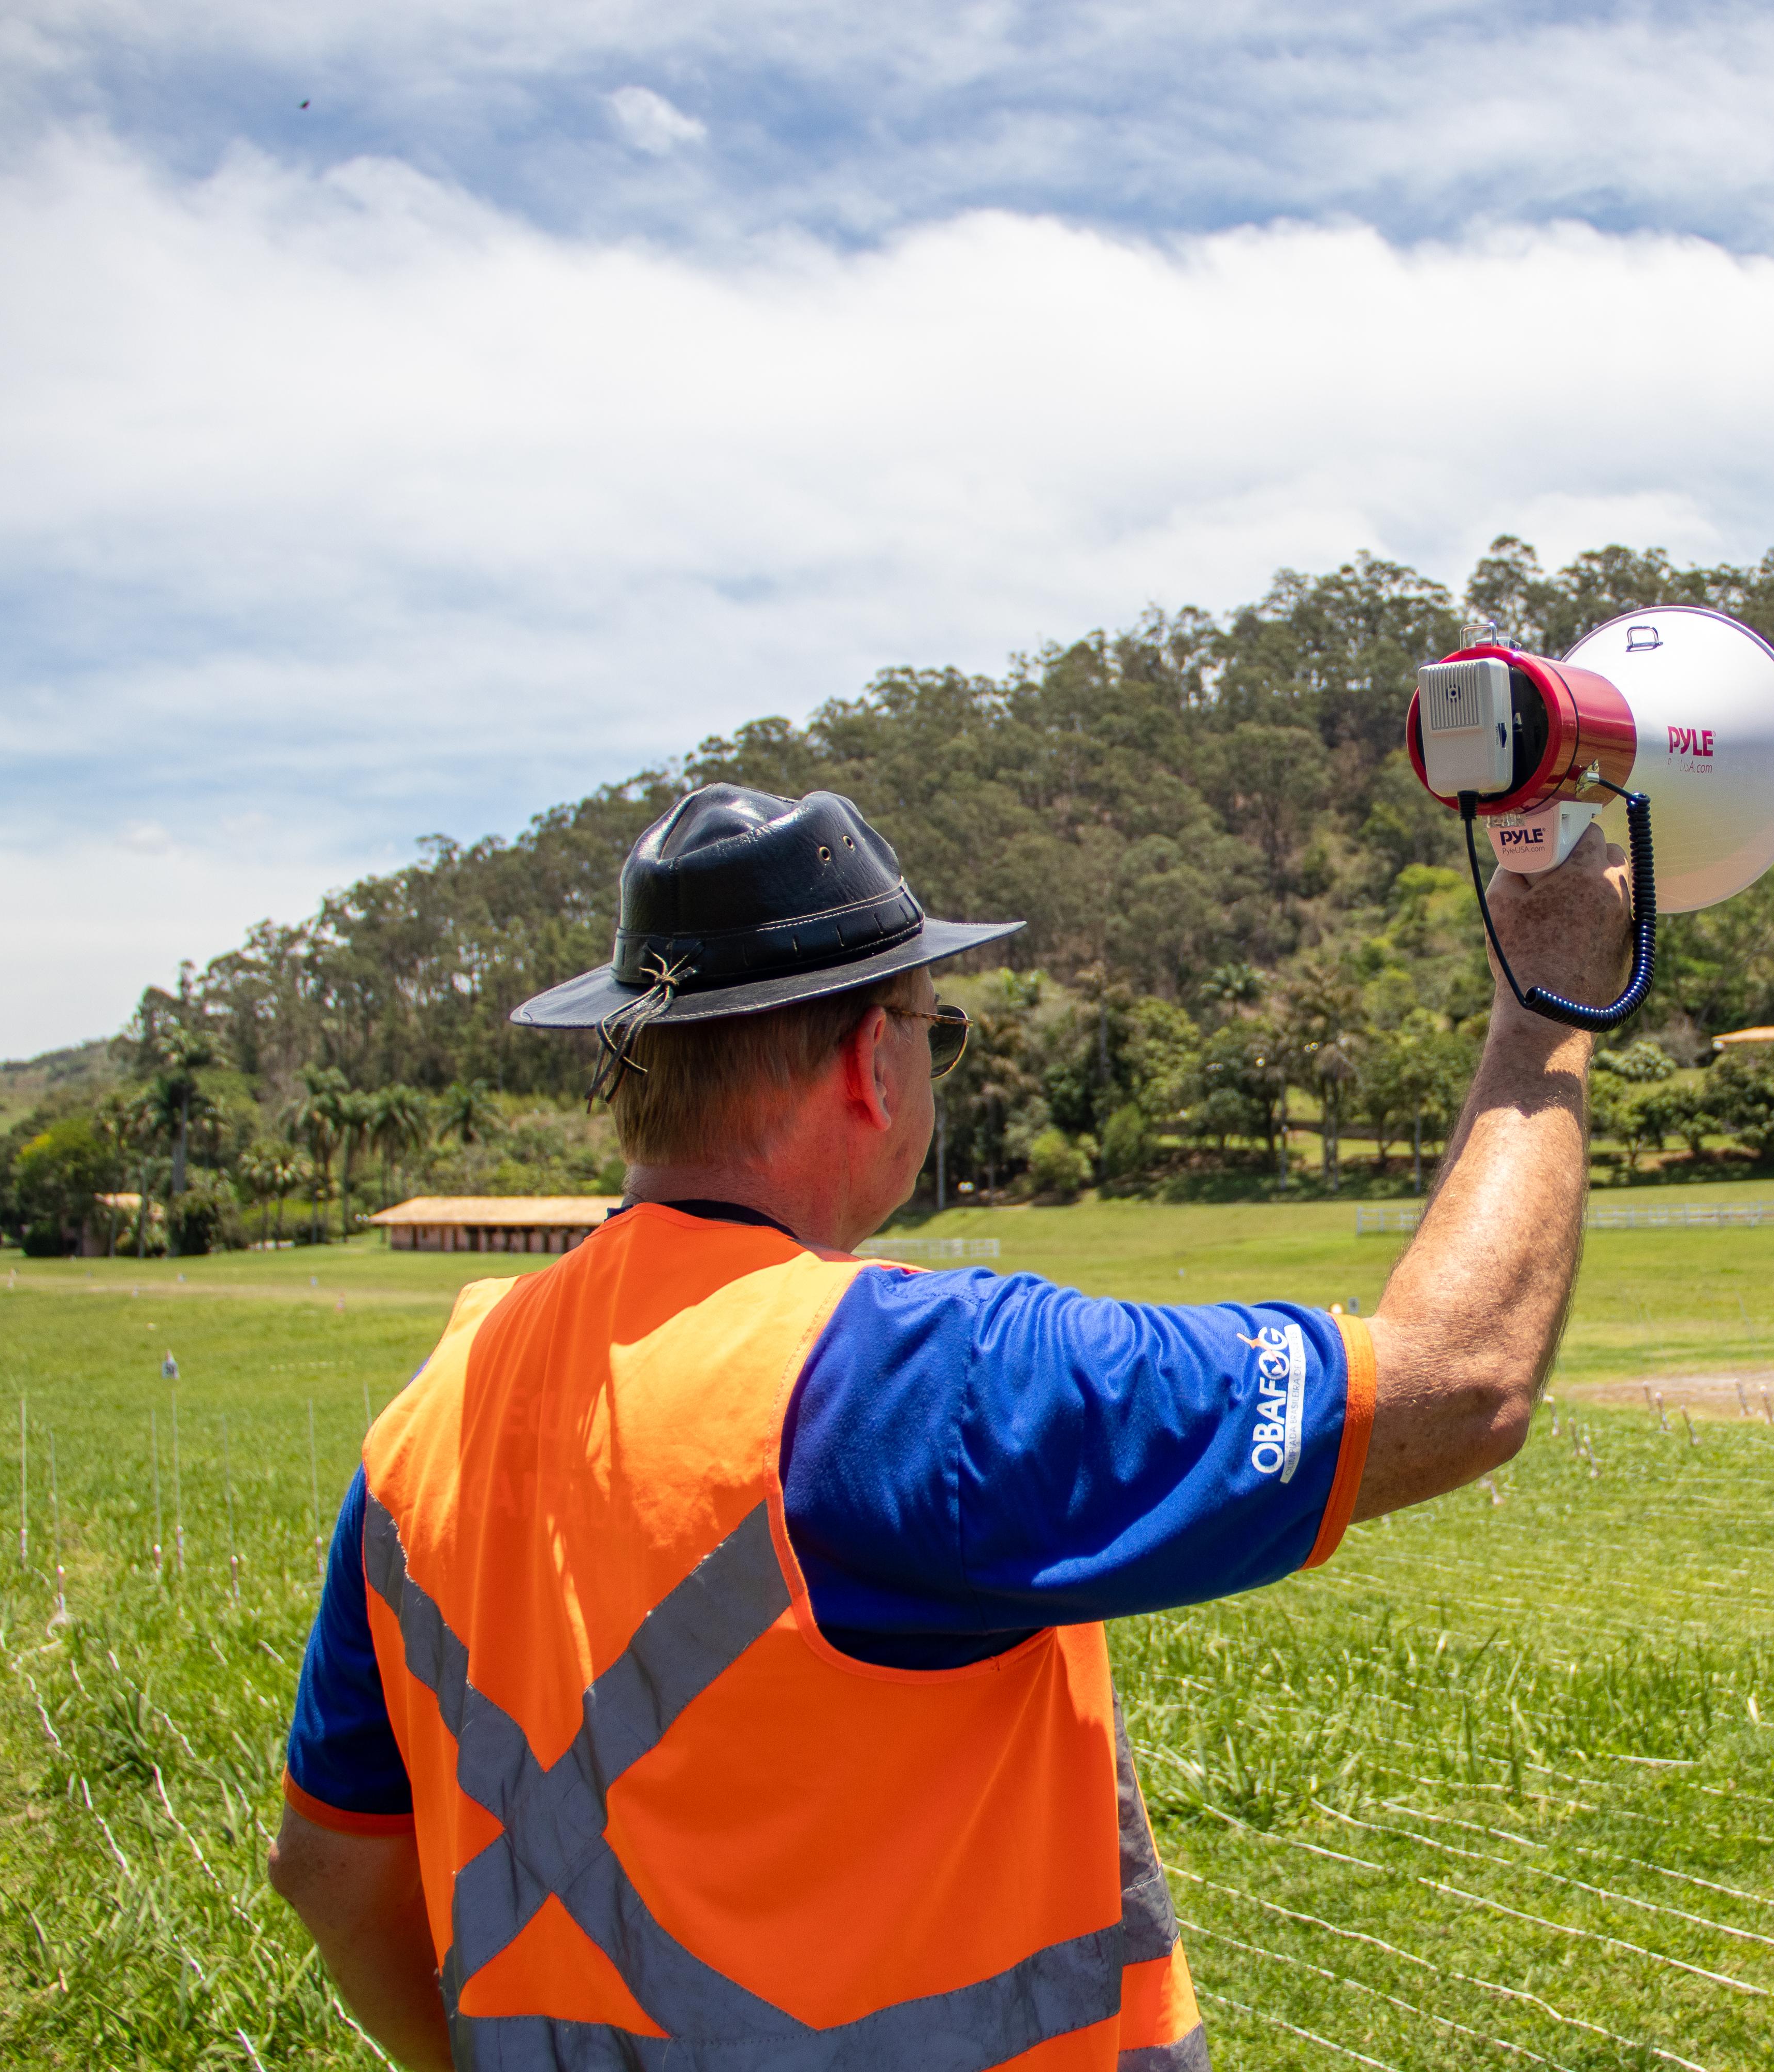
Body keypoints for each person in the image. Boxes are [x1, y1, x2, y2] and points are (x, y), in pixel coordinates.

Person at [267, 781, 1632, 2069]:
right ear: (873, 1058)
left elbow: (329, 1867)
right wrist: (1546, 1002)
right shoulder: (910, 1377)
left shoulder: (431, 1412)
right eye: (938, 1029)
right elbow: (1460, 1381)